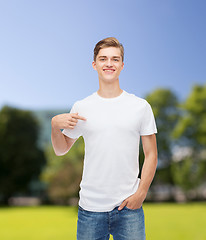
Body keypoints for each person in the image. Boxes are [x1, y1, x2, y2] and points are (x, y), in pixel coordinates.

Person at [51, 37, 158, 240]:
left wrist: (141, 193)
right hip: (90, 210)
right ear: (94, 64)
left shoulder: (140, 106)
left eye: (115, 59)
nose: (109, 63)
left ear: (122, 65)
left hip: (129, 209)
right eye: (103, 59)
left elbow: (151, 154)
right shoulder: (82, 107)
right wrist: (55, 127)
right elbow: (61, 149)